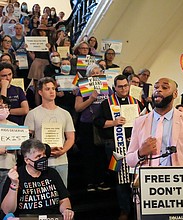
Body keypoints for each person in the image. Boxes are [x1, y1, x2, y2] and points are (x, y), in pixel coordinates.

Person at [126, 77, 183, 219]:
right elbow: (129, 159)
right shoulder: (140, 122)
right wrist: (140, 152)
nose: (158, 90)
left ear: (175, 94)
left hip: (178, 190)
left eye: (165, 87)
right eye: (156, 87)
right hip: (148, 192)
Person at [94, 74, 143, 220]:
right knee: (120, 179)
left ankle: (138, 208)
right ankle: (124, 210)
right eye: (120, 86)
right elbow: (97, 122)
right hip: (114, 145)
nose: (123, 89)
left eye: (125, 86)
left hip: (134, 145)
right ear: (114, 87)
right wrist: (113, 122)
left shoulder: (135, 101)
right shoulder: (106, 103)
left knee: (136, 177)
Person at [1, 139, 74, 220]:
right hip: (26, 218)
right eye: (38, 156)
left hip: (51, 217)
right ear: (27, 160)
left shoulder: (52, 173)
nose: (42, 159)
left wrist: (66, 210)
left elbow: (64, 199)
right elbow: (7, 210)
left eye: (44, 155)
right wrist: (14, 184)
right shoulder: (17, 175)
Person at [24, 77, 75, 187]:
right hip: (40, 161)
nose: (52, 91)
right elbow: (27, 139)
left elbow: (70, 137)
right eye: (47, 89)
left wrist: (62, 151)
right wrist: (42, 151)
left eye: (53, 88)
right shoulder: (33, 114)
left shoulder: (65, 113)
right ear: (40, 92)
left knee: (62, 192)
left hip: (61, 160)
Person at [75, 64, 113, 192]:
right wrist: (91, 98)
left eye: (98, 72)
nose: (96, 75)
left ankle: (101, 181)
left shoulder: (108, 88)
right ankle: (90, 182)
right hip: (87, 124)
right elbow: (77, 108)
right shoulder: (83, 89)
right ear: (88, 76)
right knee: (89, 154)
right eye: (93, 73)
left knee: (101, 154)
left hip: (102, 124)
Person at [0, 95, 17, 204]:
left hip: (9, 167)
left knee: (6, 199)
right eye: (1, 107)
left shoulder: (15, 126)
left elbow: (20, 149)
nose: (4, 109)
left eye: (6, 107)